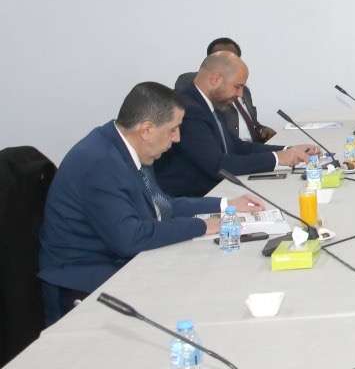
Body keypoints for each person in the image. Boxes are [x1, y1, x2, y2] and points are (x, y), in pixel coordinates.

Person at [37, 82, 264, 324]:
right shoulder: (100, 163)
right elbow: (131, 238)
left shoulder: (126, 146)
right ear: (146, 129)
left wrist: (224, 205)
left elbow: (161, 206)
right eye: (173, 129)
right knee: (195, 294)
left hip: (116, 263)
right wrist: (204, 226)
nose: (177, 138)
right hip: (84, 283)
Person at [156, 52, 315, 198]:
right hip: (195, 199)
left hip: (219, 189)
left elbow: (236, 146)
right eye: (237, 86)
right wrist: (277, 158)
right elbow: (219, 166)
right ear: (215, 79)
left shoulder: (209, 102)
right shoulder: (188, 110)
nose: (240, 94)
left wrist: (287, 151)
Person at [175, 37, 275, 144]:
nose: (240, 93)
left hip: (256, 145)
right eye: (222, 59)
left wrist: (261, 129)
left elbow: (251, 122)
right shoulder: (205, 91)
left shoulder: (243, 90)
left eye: (232, 59)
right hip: (236, 148)